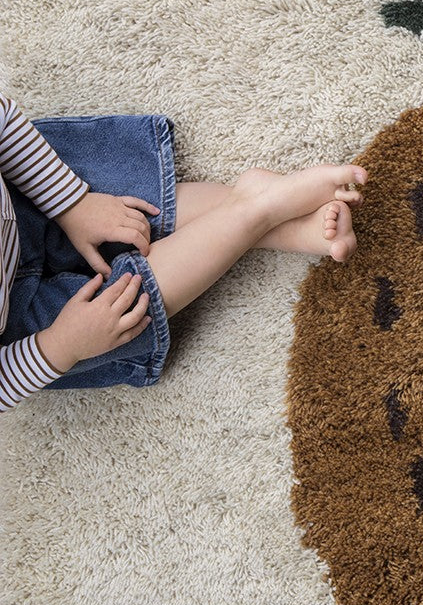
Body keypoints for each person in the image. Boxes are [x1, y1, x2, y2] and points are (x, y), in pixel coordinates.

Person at [0, 93, 366, 412]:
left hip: (24, 198)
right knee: (123, 310)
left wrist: (72, 203)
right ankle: (260, 212)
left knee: (123, 212)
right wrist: (61, 345)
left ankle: (268, 216)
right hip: (24, 335)